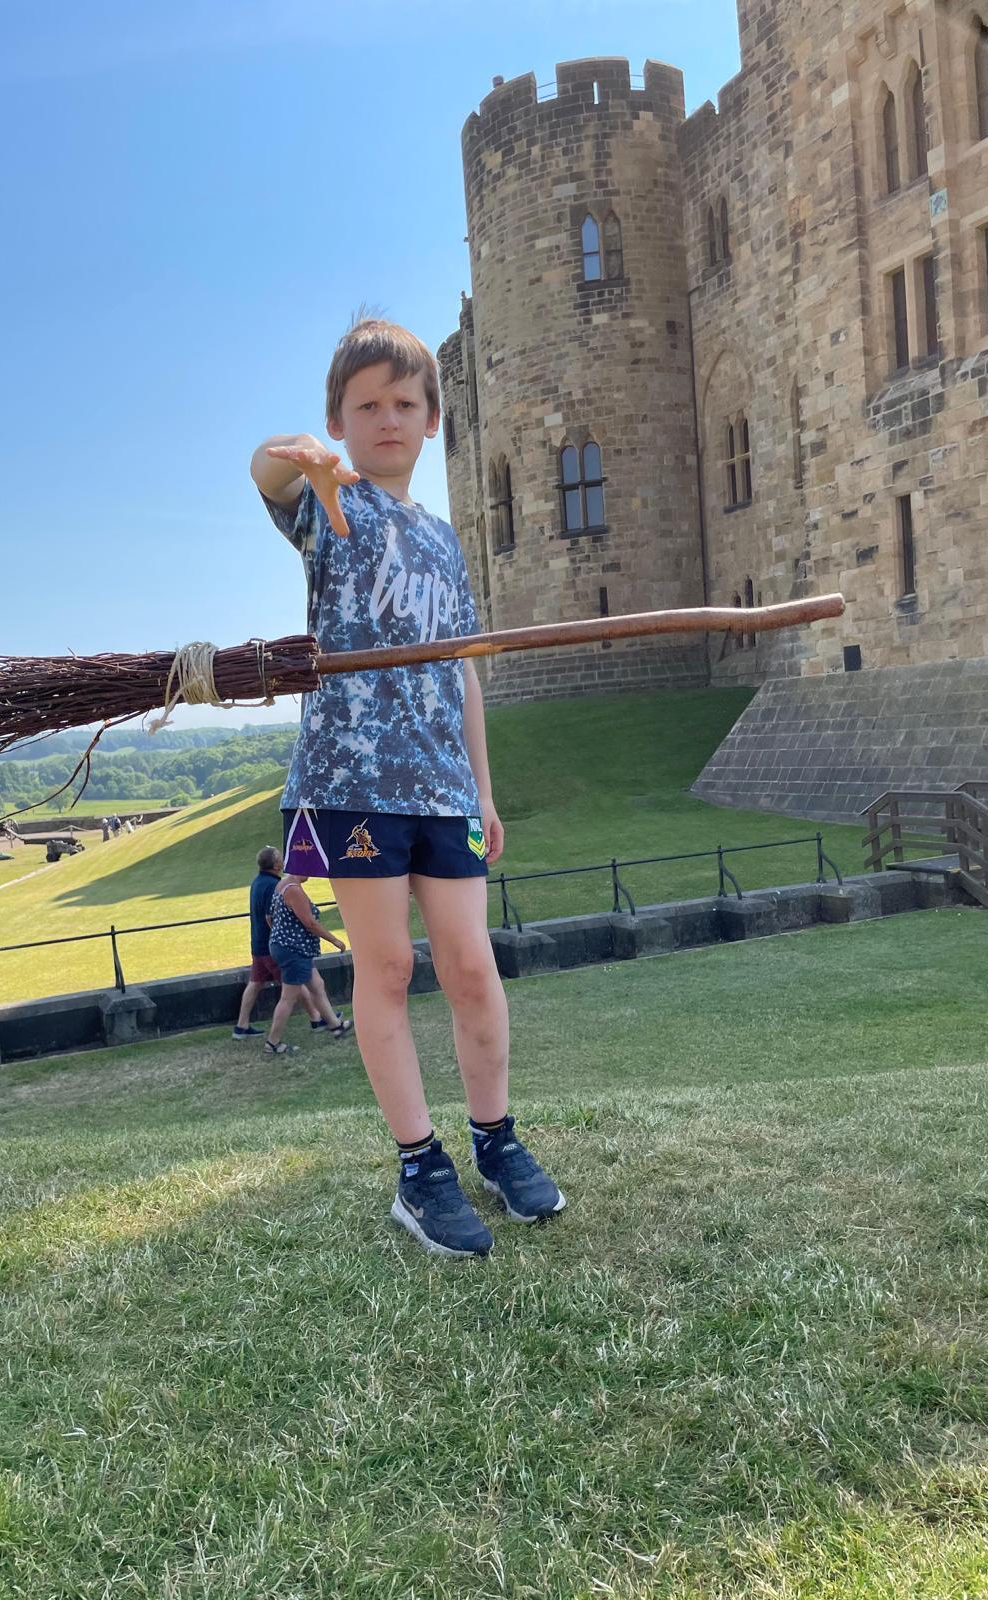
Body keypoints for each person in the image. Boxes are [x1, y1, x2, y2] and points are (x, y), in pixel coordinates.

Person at [252, 315, 565, 1257]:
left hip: (442, 788)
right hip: (353, 784)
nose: (386, 419)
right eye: (365, 406)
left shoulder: (444, 540)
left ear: (433, 419)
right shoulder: (329, 504)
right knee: (385, 968)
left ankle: (496, 1141)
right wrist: (298, 458)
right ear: (339, 422)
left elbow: (462, 671)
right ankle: (420, 1168)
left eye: (403, 403)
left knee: (471, 965)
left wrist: (484, 791)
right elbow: (265, 477)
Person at [264, 870, 354, 1055]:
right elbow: (310, 923)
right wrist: (334, 940)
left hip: (289, 948)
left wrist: (279, 936)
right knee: (288, 998)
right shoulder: (294, 890)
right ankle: (272, 1043)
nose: (312, 873)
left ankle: (336, 1026)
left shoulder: (282, 884)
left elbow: (270, 917)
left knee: (317, 985)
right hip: (294, 950)